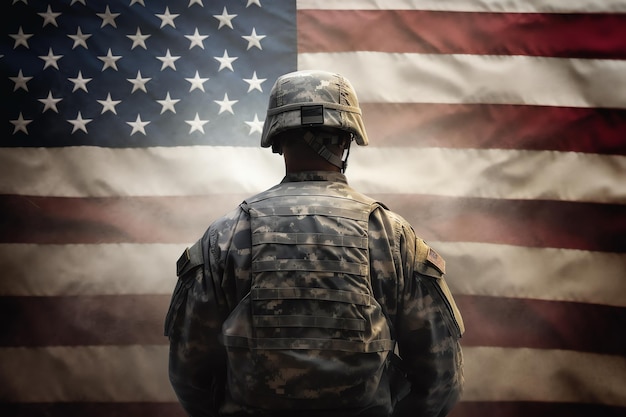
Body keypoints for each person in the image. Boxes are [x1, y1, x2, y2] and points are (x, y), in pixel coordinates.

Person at [165, 70, 464, 417]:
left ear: (277, 141)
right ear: (347, 140)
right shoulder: (393, 236)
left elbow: (189, 374)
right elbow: (441, 379)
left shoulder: (226, 235)